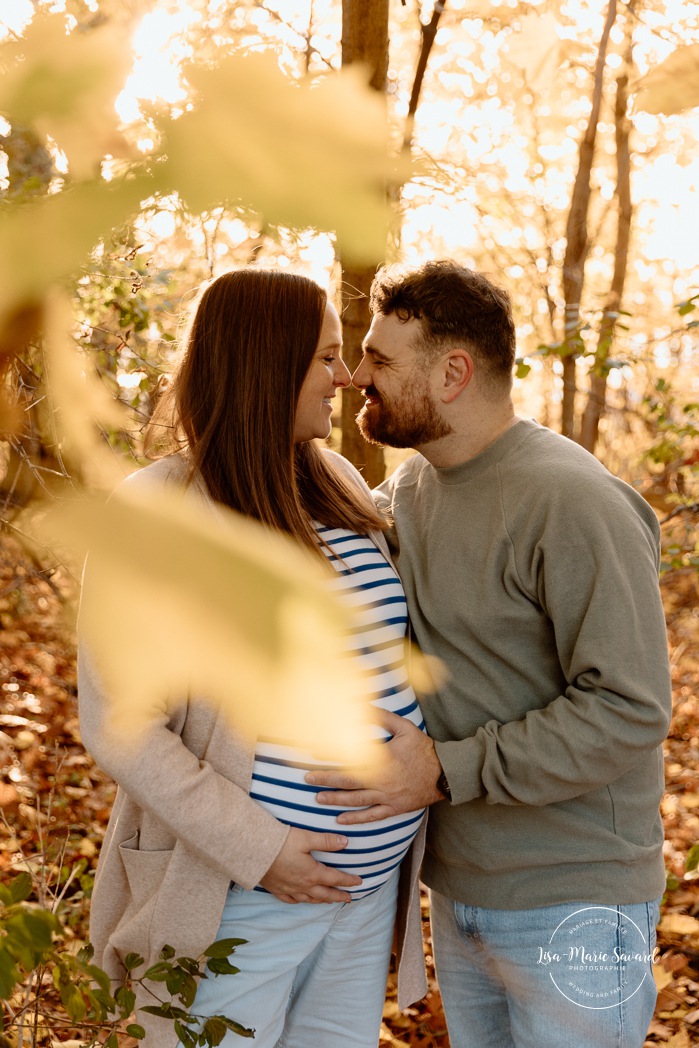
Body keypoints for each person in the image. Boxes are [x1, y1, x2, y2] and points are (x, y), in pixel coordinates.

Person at [306, 259, 673, 1048]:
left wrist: (443, 769)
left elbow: (629, 708)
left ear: (452, 372)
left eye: (378, 360)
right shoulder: (409, 494)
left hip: (575, 899)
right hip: (461, 888)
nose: (354, 377)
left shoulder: (571, 501)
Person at [77, 268, 428, 1048]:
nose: (345, 379)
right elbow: (120, 725)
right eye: (325, 359)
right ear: (265, 364)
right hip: (241, 895)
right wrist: (264, 851)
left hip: (360, 899)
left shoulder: (334, 478)